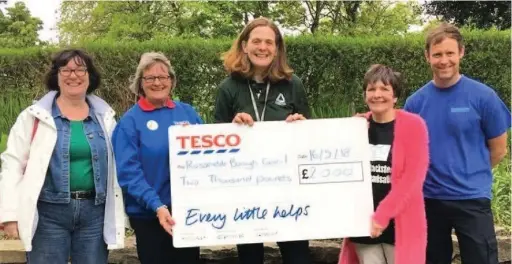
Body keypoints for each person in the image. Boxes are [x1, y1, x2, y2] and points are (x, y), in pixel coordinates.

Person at [0, 49, 125, 263]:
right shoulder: (34, 117)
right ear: (56, 76)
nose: (73, 75)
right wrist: (9, 215)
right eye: (65, 69)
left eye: (80, 69)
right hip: (48, 215)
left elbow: (120, 164)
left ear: (89, 76)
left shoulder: (105, 118)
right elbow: (12, 165)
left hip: (95, 215)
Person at [403, 23, 510, 264]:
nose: (444, 61)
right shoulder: (415, 103)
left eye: (450, 53)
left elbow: (499, 149)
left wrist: (469, 172)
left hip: (471, 199)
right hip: (429, 200)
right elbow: (405, 151)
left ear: (461, 52)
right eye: (437, 54)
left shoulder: (484, 97)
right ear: (427, 56)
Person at [213, 17, 311, 264]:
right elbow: (216, 144)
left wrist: (300, 125)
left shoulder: (293, 84)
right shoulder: (228, 88)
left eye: (269, 42)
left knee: (297, 256)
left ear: (277, 48)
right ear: (244, 45)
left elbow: (309, 139)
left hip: (288, 191)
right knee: (250, 258)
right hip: (245, 191)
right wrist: (232, 128)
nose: (263, 47)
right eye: (256, 41)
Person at [112, 52, 203, 264]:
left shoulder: (188, 113)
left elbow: (208, 157)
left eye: (163, 77)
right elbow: (128, 173)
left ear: (171, 81)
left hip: (186, 214)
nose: (157, 82)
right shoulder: (130, 122)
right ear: (140, 84)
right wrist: (157, 206)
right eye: (150, 78)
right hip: (149, 216)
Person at [338, 64, 429, 264]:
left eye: (384, 89)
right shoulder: (356, 127)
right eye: (371, 89)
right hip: (364, 227)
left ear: (395, 96)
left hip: (400, 226)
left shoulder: (414, 126)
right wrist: (297, 125)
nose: (377, 94)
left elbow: (412, 180)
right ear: (365, 95)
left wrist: (382, 215)